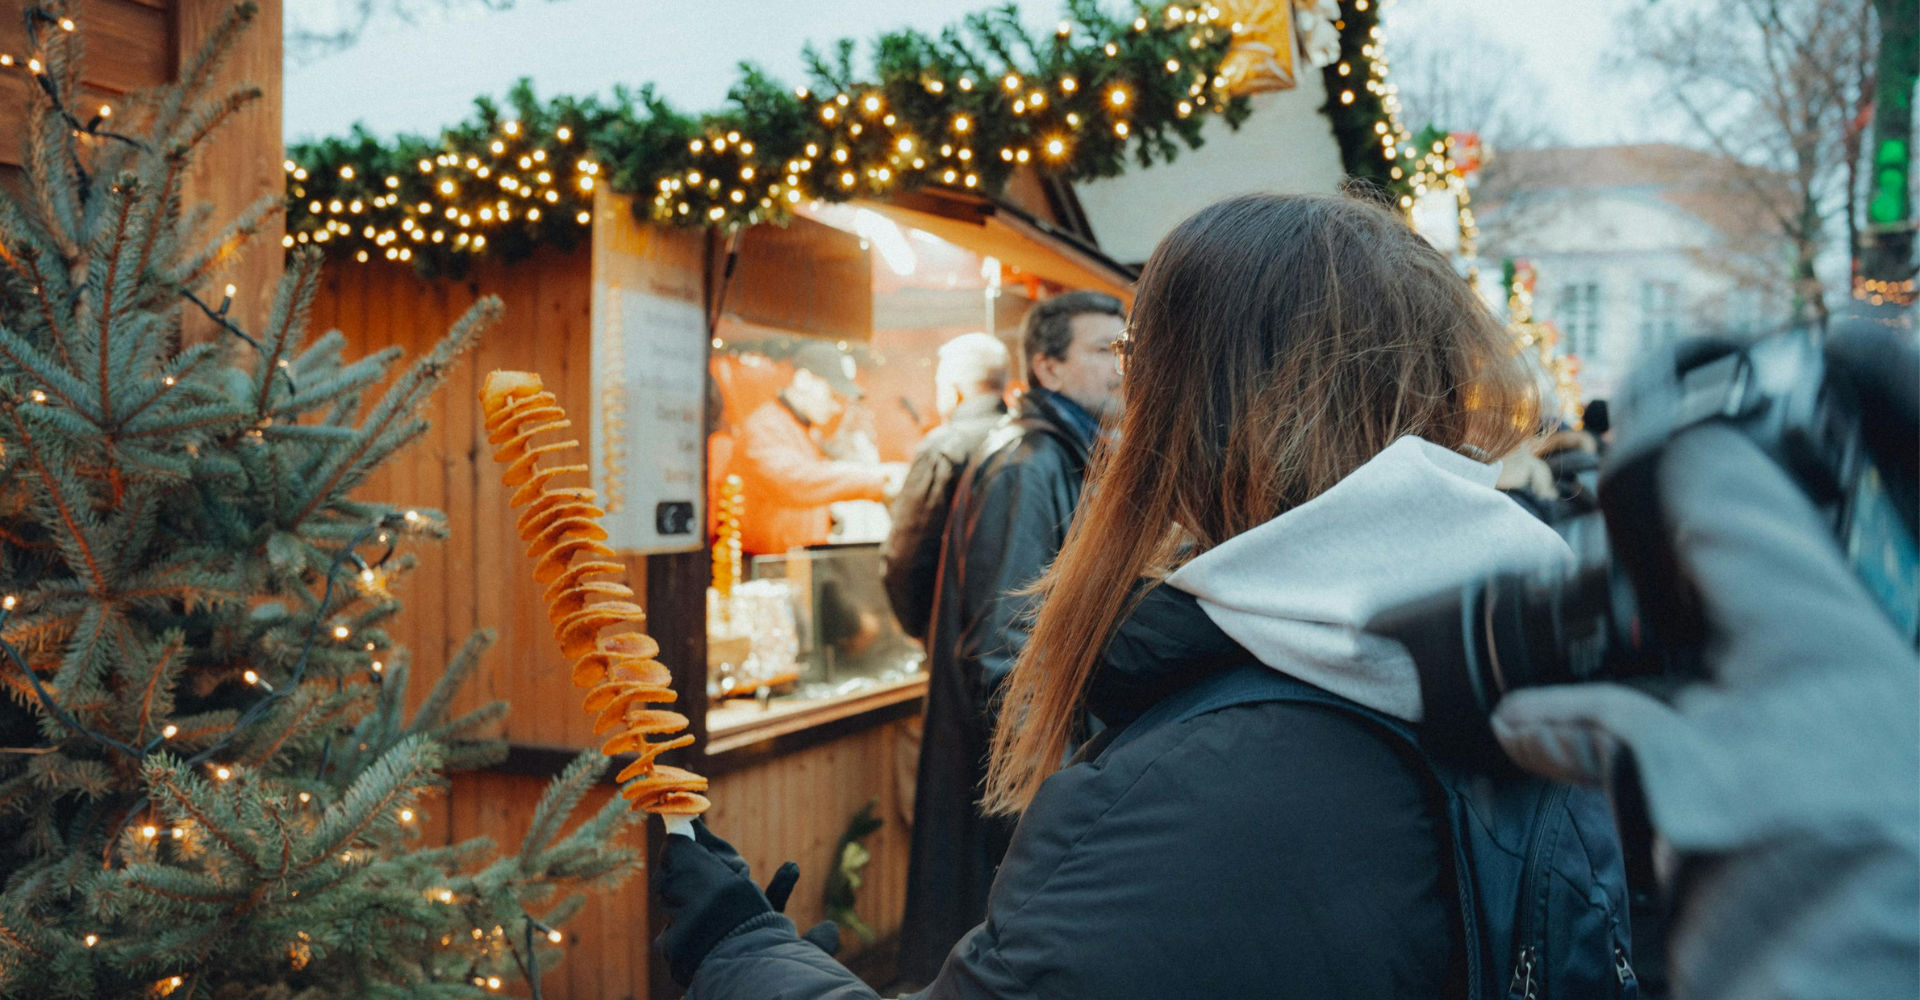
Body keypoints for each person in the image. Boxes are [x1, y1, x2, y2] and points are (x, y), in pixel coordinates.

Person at [652, 194, 1562, 999]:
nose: (1126, 396)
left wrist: (739, 949)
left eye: (1137, 356)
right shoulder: (1499, 645)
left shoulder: (1213, 776)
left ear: (1202, 405)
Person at [894, 290, 1125, 986]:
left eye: (1126, 349)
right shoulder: (1029, 464)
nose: (1122, 367)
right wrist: (1048, 800)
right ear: (1047, 368)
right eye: (1103, 350)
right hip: (1019, 797)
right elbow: (1005, 651)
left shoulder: (1069, 454)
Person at [881, 332, 1012, 641]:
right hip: (1019, 631)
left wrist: (926, 632)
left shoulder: (945, 447)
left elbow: (905, 558)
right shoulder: (1028, 439)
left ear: (956, 390)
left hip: (960, 636)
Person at [731, 340, 904, 555]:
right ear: (803, 380)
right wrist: (873, 481)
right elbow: (795, 482)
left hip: (796, 564)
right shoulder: (763, 427)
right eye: (832, 395)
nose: (836, 407)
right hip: (765, 570)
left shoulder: (804, 431)